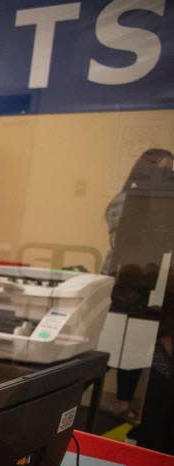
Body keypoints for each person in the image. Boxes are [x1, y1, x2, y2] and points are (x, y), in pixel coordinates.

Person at [102, 148, 173, 420]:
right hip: (125, 282)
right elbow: (124, 236)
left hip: (153, 284)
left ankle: (123, 402)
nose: (163, 177)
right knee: (111, 345)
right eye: (159, 170)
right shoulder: (126, 200)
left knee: (135, 347)